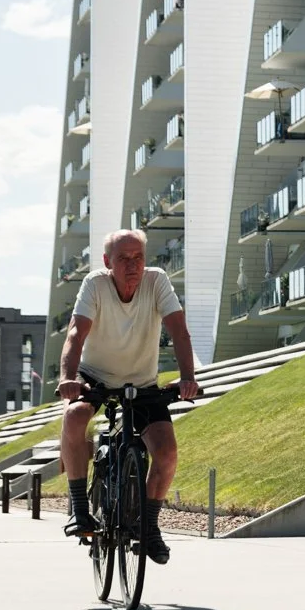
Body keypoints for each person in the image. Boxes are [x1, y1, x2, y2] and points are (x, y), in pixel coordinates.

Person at [56, 229, 199, 564]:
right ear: (108, 262)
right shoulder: (95, 284)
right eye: (123, 258)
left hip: (143, 381)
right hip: (96, 377)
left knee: (166, 452)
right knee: (74, 416)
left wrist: (188, 377)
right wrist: (66, 378)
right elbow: (76, 332)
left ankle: (149, 526)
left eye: (138, 257)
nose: (133, 265)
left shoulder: (157, 281)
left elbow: (178, 330)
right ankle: (79, 509)